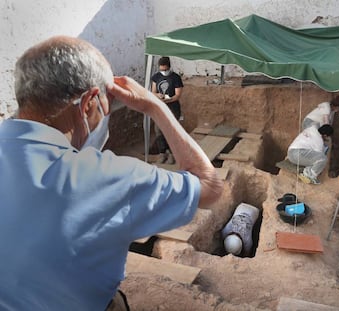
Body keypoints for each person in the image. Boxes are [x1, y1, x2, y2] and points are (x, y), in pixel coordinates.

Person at [0, 36, 222, 311]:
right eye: (105, 105)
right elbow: (209, 185)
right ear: (89, 103)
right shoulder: (108, 176)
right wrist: (156, 107)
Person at [151, 56, 184, 165]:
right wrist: (158, 96)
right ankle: (162, 153)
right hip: (160, 108)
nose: (163, 72)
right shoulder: (156, 77)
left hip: (172, 108)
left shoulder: (176, 78)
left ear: (169, 67)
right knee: (159, 130)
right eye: (161, 70)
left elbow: (178, 95)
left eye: (165, 70)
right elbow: (153, 92)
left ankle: (172, 154)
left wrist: (168, 100)